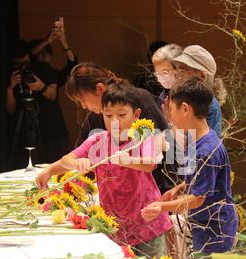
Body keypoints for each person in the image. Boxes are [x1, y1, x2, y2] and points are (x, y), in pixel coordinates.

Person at [37, 81, 173, 259]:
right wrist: (62, 168)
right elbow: (67, 159)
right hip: (115, 226)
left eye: (122, 115)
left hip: (148, 223)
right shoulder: (98, 140)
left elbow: (148, 164)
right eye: (108, 116)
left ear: (136, 115)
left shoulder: (143, 136)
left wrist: (126, 160)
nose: (115, 121)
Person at [141, 77, 238, 259]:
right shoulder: (199, 140)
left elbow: (197, 199)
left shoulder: (206, 149)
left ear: (185, 108)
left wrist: (162, 206)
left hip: (214, 230)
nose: (170, 117)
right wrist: (180, 187)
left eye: (172, 110)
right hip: (204, 226)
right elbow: (202, 180)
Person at [66, 62, 177, 194]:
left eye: (83, 99)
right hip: (116, 194)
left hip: (153, 192)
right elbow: (75, 155)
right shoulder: (94, 117)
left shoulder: (139, 99)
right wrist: (51, 170)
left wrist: (170, 193)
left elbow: (163, 155)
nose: (84, 106)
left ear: (100, 89)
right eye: (108, 115)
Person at [6, 40, 71, 169]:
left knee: (56, 163)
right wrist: (10, 88)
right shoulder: (13, 75)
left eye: (24, 63)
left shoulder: (43, 69)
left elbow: (53, 94)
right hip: (25, 129)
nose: (22, 68)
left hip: (50, 128)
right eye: (17, 64)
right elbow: (10, 110)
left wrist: (40, 86)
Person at [172, 45, 227, 137]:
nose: (176, 76)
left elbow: (197, 146)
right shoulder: (185, 99)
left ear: (202, 76)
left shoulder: (208, 106)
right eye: (176, 71)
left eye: (181, 73)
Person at [28, 17, 78, 87]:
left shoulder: (55, 75)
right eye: (40, 53)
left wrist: (63, 41)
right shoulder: (30, 71)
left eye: (46, 52)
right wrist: (46, 41)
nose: (44, 55)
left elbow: (72, 64)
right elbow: (31, 54)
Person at [152, 43, 183, 118]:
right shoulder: (164, 96)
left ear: (178, 70)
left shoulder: (194, 95)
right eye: (157, 73)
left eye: (165, 72)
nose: (161, 77)